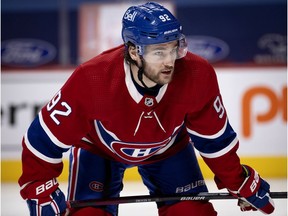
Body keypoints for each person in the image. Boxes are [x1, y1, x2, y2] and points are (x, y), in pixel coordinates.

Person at [19, 2, 275, 216]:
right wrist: (38, 185)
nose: (169, 61)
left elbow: (215, 139)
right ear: (133, 52)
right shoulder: (92, 79)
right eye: (158, 52)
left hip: (169, 149)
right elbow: (42, 138)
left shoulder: (197, 73)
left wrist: (237, 180)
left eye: (174, 48)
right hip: (99, 150)